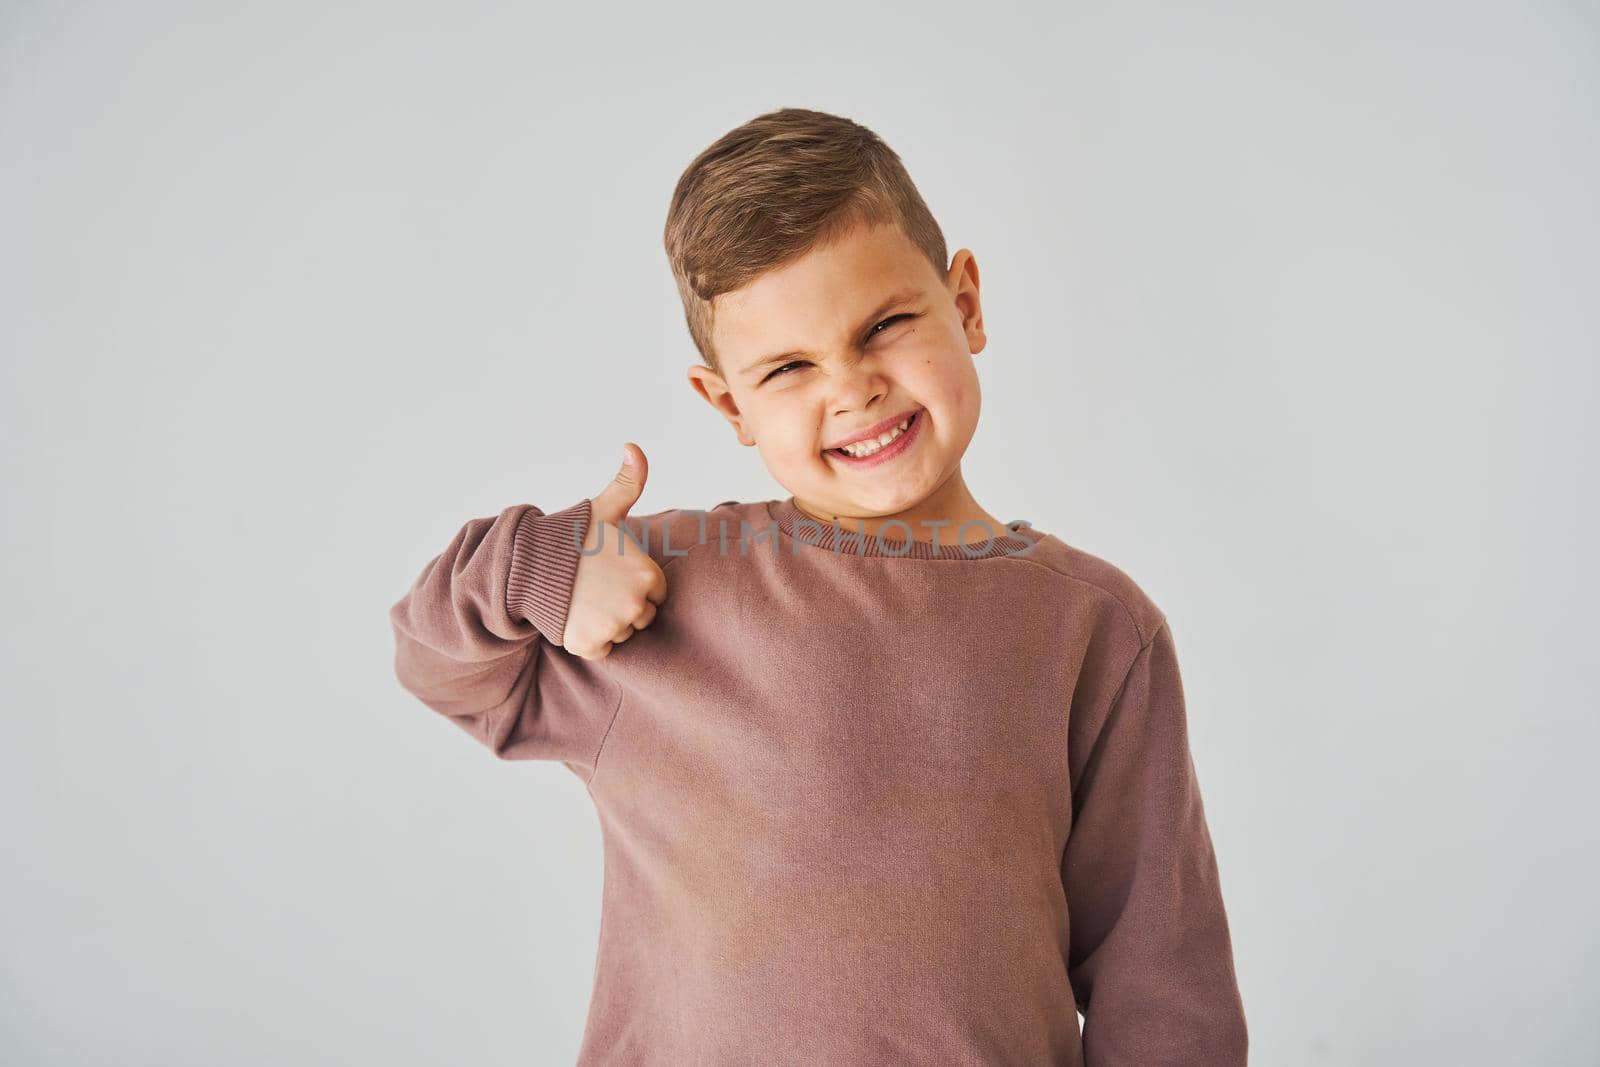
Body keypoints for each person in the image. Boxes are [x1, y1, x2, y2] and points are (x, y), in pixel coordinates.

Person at [388, 106, 1248, 1065]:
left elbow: (1161, 973)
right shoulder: (660, 588)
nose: (852, 388)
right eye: (789, 367)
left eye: (884, 325)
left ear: (964, 302)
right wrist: (539, 570)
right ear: (728, 404)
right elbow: (435, 657)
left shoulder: (1094, 628)